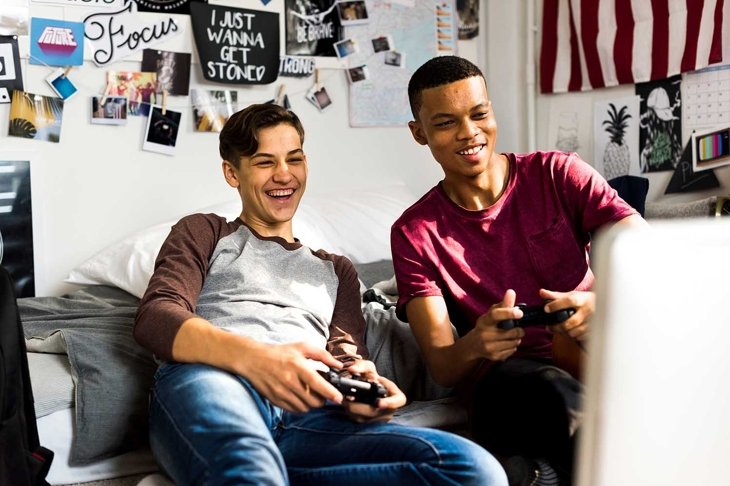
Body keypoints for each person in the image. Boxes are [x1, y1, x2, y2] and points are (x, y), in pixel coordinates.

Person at [133, 102, 507, 485]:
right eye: (265, 162)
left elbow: (346, 354)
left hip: (310, 410)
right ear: (233, 173)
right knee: (249, 466)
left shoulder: (336, 269)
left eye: (294, 159)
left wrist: (366, 389)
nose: (284, 175)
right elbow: (157, 316)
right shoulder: (205, 232)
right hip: (217, 382)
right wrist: (261, 360)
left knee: (476, 470)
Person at [390, 56, 646, 486]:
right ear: (419, 133)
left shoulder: (559, 174)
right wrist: (477, 343)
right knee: (549, 393)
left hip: (594, 352)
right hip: (509, 381)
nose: (469, 133)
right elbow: (443, 366)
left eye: (479, 114)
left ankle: (537, 476)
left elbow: (648, 258)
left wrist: (597, 303)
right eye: (446, 122)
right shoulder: (414, 233)